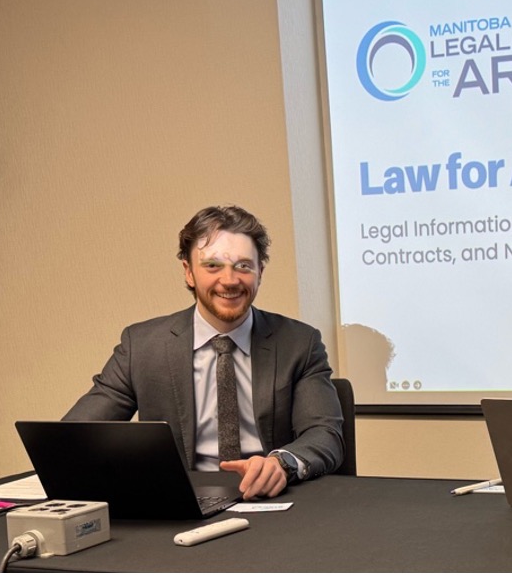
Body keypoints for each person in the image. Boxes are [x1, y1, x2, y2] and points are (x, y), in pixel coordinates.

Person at [65, 205, 344, 500]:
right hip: (178, 508)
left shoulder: (299, 342)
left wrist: (281, 463)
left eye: (243, 266)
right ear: (189, 272)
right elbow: (74, 437)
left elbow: (325, 434)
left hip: (272, 503)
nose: (230, 280)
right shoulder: (142, 345)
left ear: (260, 272)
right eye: (213, 266)